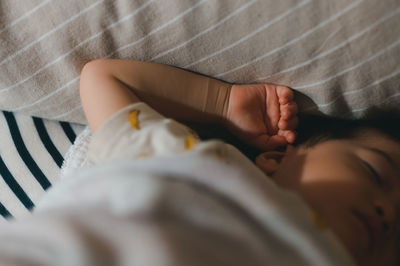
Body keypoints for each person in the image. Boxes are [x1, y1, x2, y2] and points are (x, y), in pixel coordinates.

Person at [0, 59, 397, 266]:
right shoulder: (201, 170)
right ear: (276, 157)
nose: (389, 212)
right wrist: (221, 104)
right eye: (374, 171)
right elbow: (106, 79)